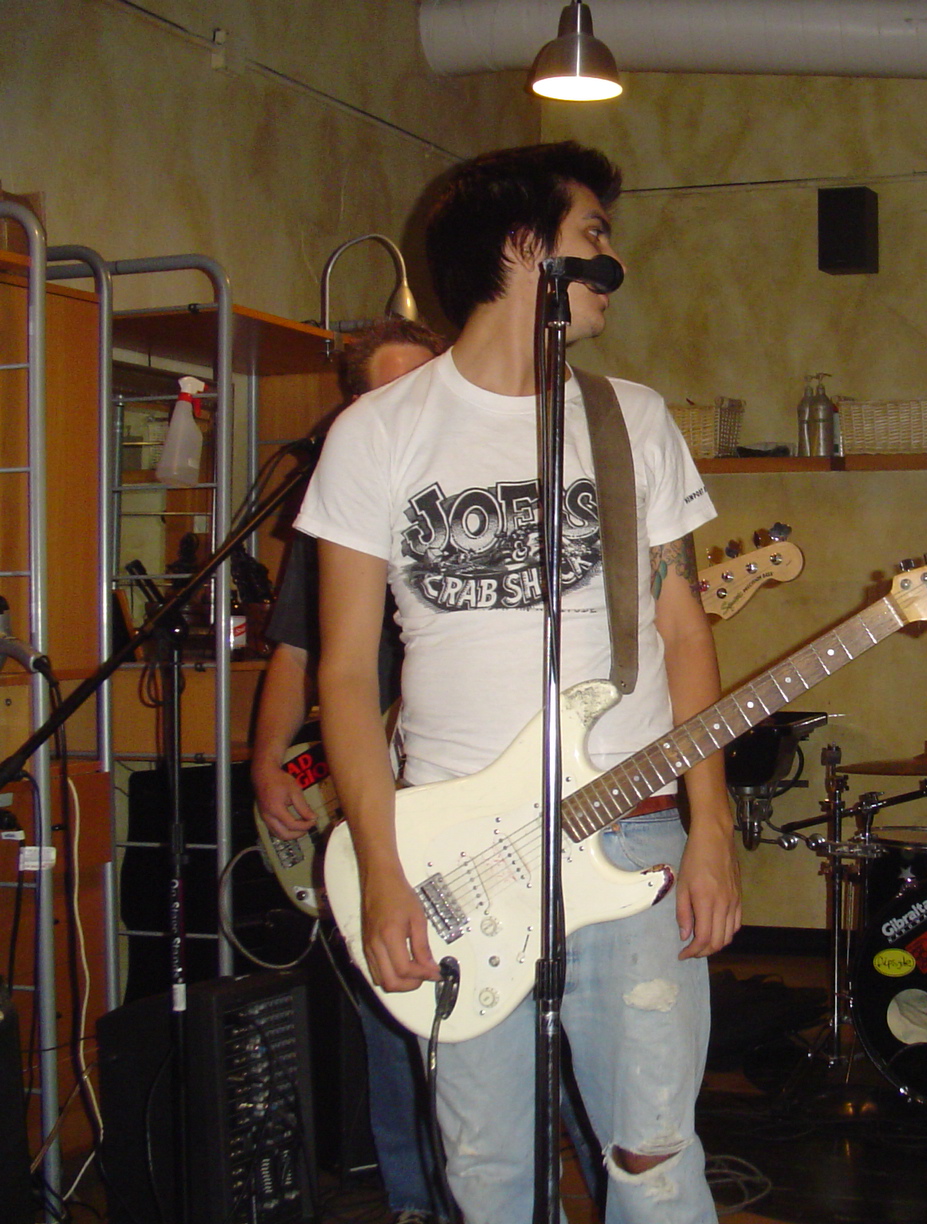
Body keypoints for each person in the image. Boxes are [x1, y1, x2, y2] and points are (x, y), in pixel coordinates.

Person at [295, 142, 740, 1224]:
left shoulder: (632, 421)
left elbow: (684, 634)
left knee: (655, 1162)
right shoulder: (375, 435)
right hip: (452, 854)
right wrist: (383, 868)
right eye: (594, 236)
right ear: (524, 247)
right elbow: (344, 676)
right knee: (487, 1172)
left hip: (631, 832)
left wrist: (713, 829)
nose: (611, 264)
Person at [250, 316, 449, 1224]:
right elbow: (295, 653)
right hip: (369, 787)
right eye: (386, 390)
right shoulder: (337, 503)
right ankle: (412, 1200)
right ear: (355, 407)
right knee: (390, 1003)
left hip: (461, 786)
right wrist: (268, 762)